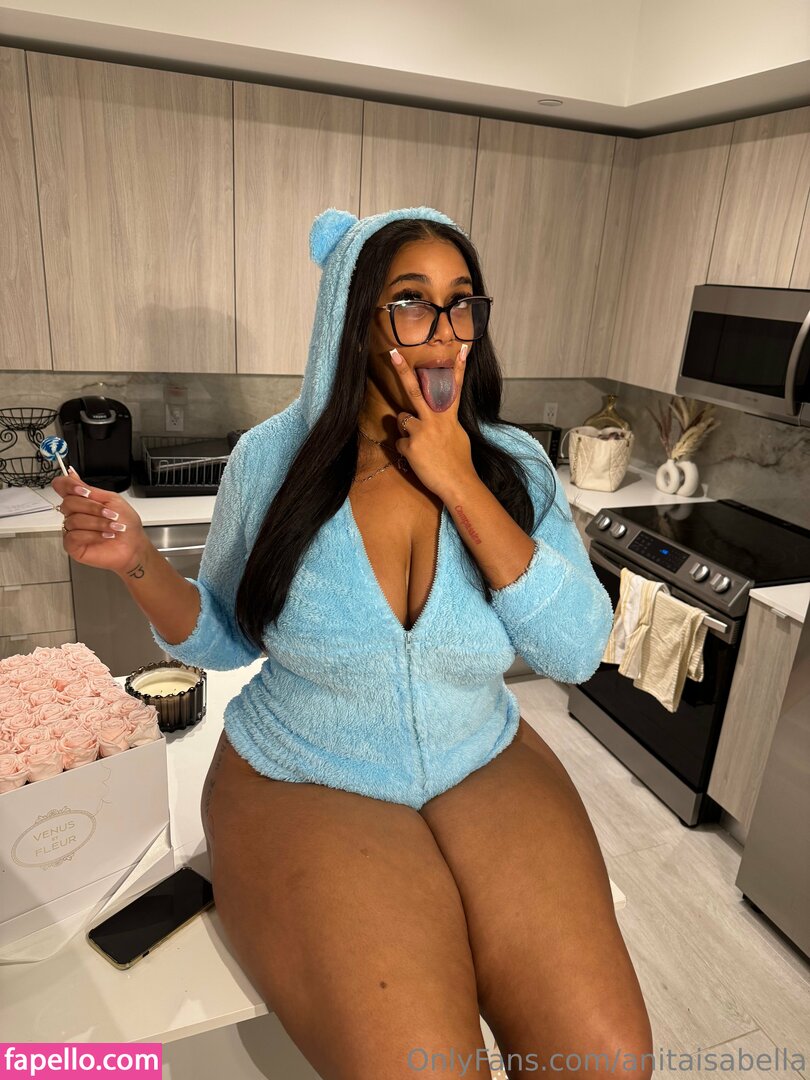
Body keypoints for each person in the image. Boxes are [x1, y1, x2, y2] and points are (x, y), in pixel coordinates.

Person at [52, 206, 653, 1080]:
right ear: (352, 314)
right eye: (410, 301)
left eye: (460, 303)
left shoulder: (515, 464)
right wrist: (139, 561)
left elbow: (577, 652)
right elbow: (224, 639)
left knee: (608, 1061)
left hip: (478, 754)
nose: (443, 330)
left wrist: (460, 480)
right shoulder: (272, 460)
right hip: (306, 770)